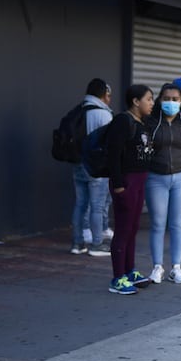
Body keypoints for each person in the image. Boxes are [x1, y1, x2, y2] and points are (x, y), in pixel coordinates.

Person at [145, 83, 181, 285]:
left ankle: (176, 268)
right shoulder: (151, 123)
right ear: (160, 100)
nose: (171, 102)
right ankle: (157, 267)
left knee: (177, 225)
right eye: (166, 98)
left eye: (175, 99)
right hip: (155, 178)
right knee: (158, 224)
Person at [106, 84, 155, 295]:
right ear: (136, 101)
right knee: (123, 229)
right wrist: (118, 186)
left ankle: (129, 270)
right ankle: (117, 278)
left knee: (133, 228)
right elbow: (113, 155)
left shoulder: (141, 123)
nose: (152, 103)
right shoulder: (122, 121)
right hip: (126, 182)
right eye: (149, 99)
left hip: (140, 181)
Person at [71, 78, 114, 257]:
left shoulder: (77, 111)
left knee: (80, 204)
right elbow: (110, 143)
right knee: (97, 206)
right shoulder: (103, 114)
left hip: (78, 163)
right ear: (104, 94)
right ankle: (97, 244)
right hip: (96, 166)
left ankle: (77, 243)